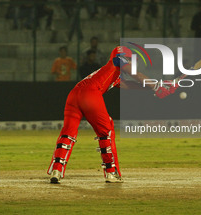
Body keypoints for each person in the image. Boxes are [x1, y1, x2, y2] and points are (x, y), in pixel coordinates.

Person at [47, 46, 179, 183]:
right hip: (90, 94)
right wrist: (156, 87)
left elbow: (131, 84)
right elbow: (135, 74)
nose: (132, 63)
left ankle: (56, 171)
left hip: (73, 95)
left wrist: (160, 85)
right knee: (106, 131)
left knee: (68, 133)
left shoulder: (112, 72)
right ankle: (111, 173)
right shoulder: (118, 60)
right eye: (131, 60)